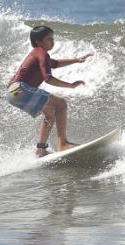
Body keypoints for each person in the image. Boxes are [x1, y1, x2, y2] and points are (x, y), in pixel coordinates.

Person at [5, 24, 91, 157]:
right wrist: (71, 85)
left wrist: (76, 60)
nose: (53, 41)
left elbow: (55, 63)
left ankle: (41, 149)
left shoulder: (39, 55)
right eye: (49, 39)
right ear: (38, 42)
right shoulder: (41, 53)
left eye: (53, 38)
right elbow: (48, 79)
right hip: (20, 88)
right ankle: (63, 143)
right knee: (61, 104)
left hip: (12, 93)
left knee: (50, 115)